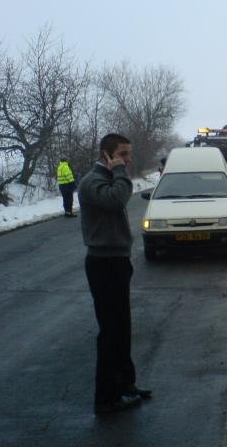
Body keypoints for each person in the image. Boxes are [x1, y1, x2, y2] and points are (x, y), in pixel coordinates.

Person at [77, 133, 152, 415]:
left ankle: (126, 384)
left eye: (128, 154)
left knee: (122, 329)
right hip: (103, 264)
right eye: (122, 154)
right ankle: (106, 398)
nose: (128, 160)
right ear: (107, 155)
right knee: (110, 333)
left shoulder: (108, 178)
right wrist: (119, 171)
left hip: (117, 262)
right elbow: (117, 200)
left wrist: (118, 171)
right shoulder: (92, 182)